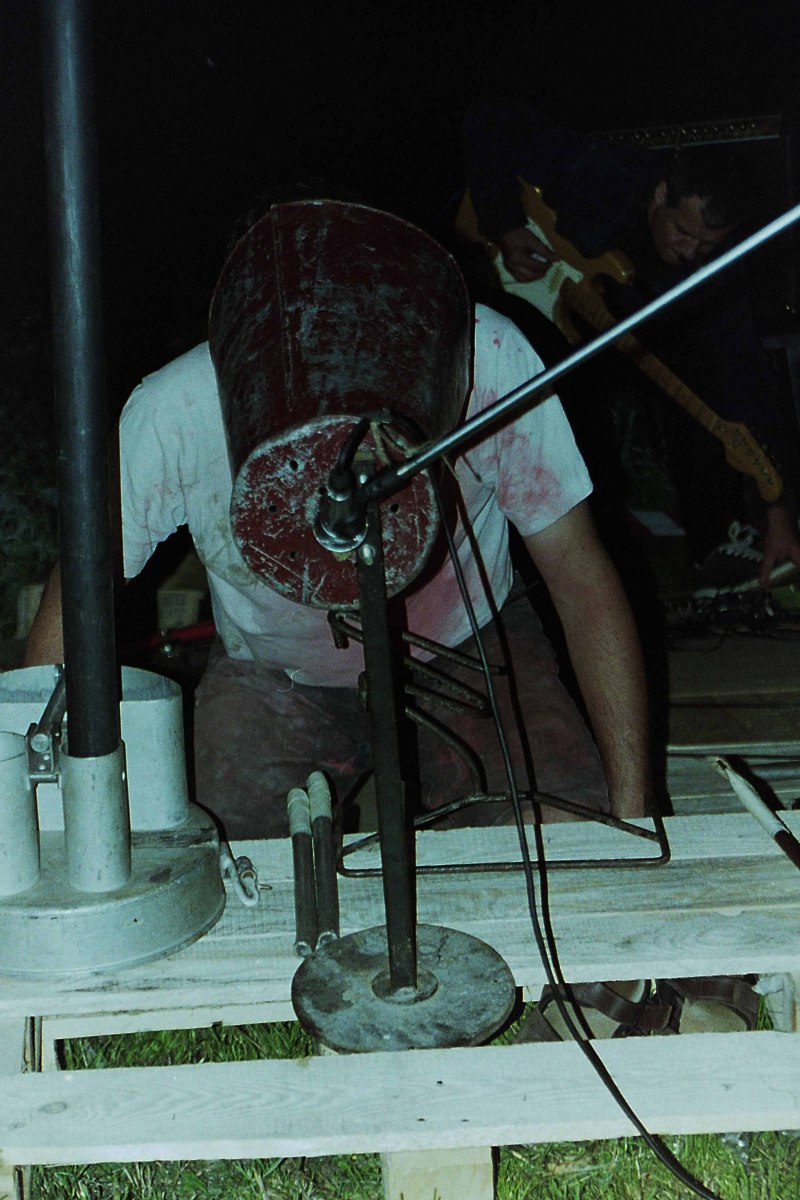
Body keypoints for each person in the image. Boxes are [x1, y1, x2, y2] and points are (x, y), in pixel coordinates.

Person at [23, 204, 654, 839]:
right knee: (225, 860)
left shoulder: (484, 356)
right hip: (273, 675)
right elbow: (79, 589)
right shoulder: (173, 408)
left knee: (561, 839)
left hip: (473, 647)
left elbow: (580, 577)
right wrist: (40, 812)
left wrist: (637, 812)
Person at [460, 97, 800, 595]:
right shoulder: (607, 173)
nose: (689, 251)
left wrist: (780, 510)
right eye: (682, 231)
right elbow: (488, 117)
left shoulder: (713, 271)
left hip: (602, 335)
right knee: (559, 422)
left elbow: (745, 377)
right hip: (510, 308)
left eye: (706, 245)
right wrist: (504, 222)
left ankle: (713, 549)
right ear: (661, 194)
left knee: (699, 377)